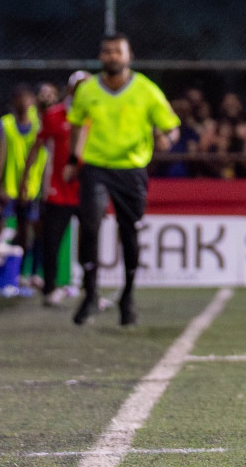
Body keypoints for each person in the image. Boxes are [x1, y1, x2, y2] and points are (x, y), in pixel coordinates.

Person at [66, 34, 181, 326]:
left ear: (129, 56)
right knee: (89, 224)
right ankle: (90, 294)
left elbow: (171, 127)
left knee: (128, 231)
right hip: (96, 167)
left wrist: (166, 138)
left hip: (131, 170)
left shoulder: (146, 90)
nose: (112, 56)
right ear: (100, 56)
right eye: (107, 51)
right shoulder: (88, 89)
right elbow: (77, 126)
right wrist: (71, 160)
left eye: (118, 51)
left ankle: (127, 296)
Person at [32, 75, 88, 304]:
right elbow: (36, 148)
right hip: (58, 189)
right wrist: (28, 180)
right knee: (52, 240)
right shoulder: (54, 115)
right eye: (79, 87)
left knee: (90, 241)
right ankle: (50, 288)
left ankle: (88, 289)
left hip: (86, 188)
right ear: (70, 90)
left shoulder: (94, 116)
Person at [0, 84, 44, 289]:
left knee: (27, 233)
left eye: (27, 97)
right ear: (14, 101)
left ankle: (24, 273)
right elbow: (0, 156)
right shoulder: (5, 124)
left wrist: (33, 186)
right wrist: (0, 186)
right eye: (19, 98)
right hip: (8, 188)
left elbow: (41, 158)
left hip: (30, 189)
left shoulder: (37, 125)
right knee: (0, 229)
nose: (24, 101)